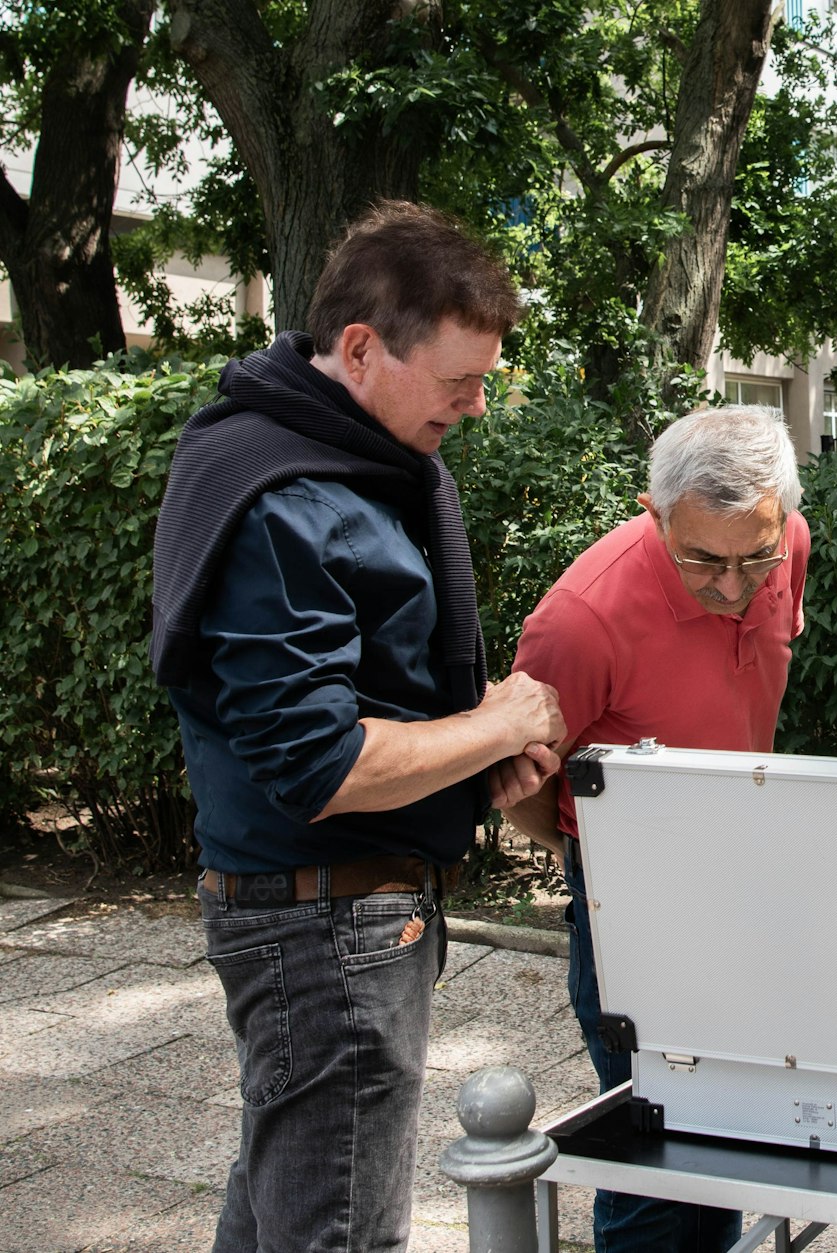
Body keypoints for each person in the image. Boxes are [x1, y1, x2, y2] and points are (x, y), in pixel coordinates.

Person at [150, 201, 565, 1253]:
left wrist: (472, 754)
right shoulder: (283, 495)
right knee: (336, 1232)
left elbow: (359, 703)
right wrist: (494, 720)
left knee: (284, 1209)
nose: (475, 406)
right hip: (325, 928)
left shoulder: (341, 458)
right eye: (458, 379)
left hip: (332, 914)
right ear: (361, 347)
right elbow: (321, 763)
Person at [503, 406, 810, 1253]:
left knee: (728, 1140)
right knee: (656, 1158)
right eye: (704, 560)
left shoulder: (789, 544)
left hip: (746, 877)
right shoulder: (579, 622)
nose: (734, 584)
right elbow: (520, 783)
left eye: (756, 556)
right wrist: (587, 856)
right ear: (653, 510)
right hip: (629, 904)